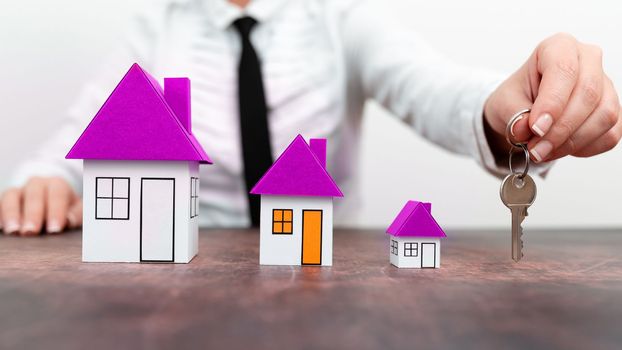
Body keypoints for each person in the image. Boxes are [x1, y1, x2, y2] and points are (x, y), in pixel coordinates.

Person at [1, 0, 620, 236]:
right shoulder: (154, 30)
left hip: (314, 269)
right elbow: (79, 140)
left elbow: (431, 87)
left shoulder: (339, 20)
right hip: (185, 271)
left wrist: (505, 110)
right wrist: (45, 181)